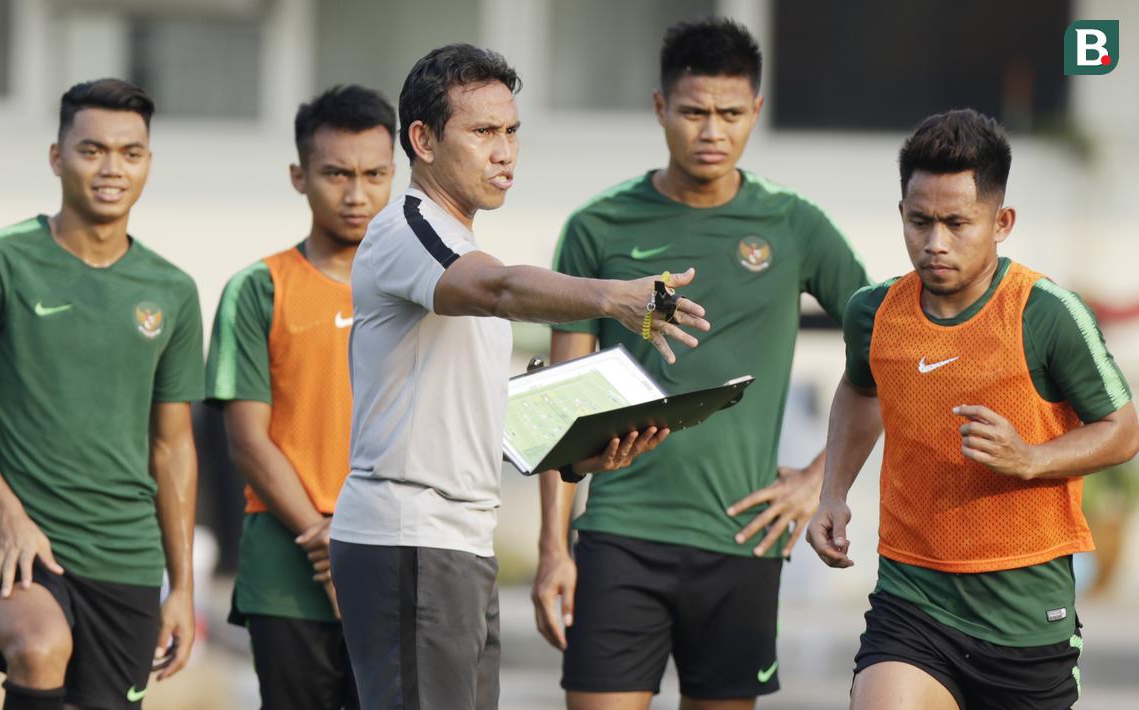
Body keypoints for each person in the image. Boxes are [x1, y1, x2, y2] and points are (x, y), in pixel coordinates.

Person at [327, 44, 711, 710]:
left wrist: (578, 452)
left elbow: (466, 416)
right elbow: (504, 290)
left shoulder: (461, 249)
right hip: (411, 538)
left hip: (457, 544)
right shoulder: (410, 230)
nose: (504, 151)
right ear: (421, 140)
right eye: (481, 132)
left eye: (511, 131)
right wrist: (613, 297)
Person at [532, 18, 869, 709]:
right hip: (618, 532)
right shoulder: (597, 227)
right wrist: (551, 548)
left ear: (756, 112)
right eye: (692, 112)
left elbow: (889, 353)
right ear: (660, 109)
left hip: (740, 540)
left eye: (729, 113)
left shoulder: (793, 224)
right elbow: (559, 403)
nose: (711, 131)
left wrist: (819, 479)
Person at [807, 108, 1139, 709]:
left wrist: (1030, 457)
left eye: (958, 223)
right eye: (920, 221)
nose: (935, 243)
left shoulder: (1046, 313)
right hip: (913, 604)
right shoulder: (873, 312)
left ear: (1001, 221)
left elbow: (1122, 429)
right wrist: (832, 491)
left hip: (1027, 620)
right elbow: (861, 388)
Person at [0, 78, 204, 710]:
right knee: (39, 646)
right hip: (22, 543)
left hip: (126, 559)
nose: (112, 169)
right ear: (57, 157)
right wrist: (5, 514)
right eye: (92, 150)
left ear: (148, 164)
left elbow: (173, 447)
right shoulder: (0, 260)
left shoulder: (174, 290)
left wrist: (181, 587)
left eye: (130, 153)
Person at [205, 84, 396, 709]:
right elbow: (246, 439)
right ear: (299, 176)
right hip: (287, 569)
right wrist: (321, 539)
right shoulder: (259, 288)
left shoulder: (422, 291)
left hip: (395, 548)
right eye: (335, 173)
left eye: (374, 174)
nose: (355, 194)